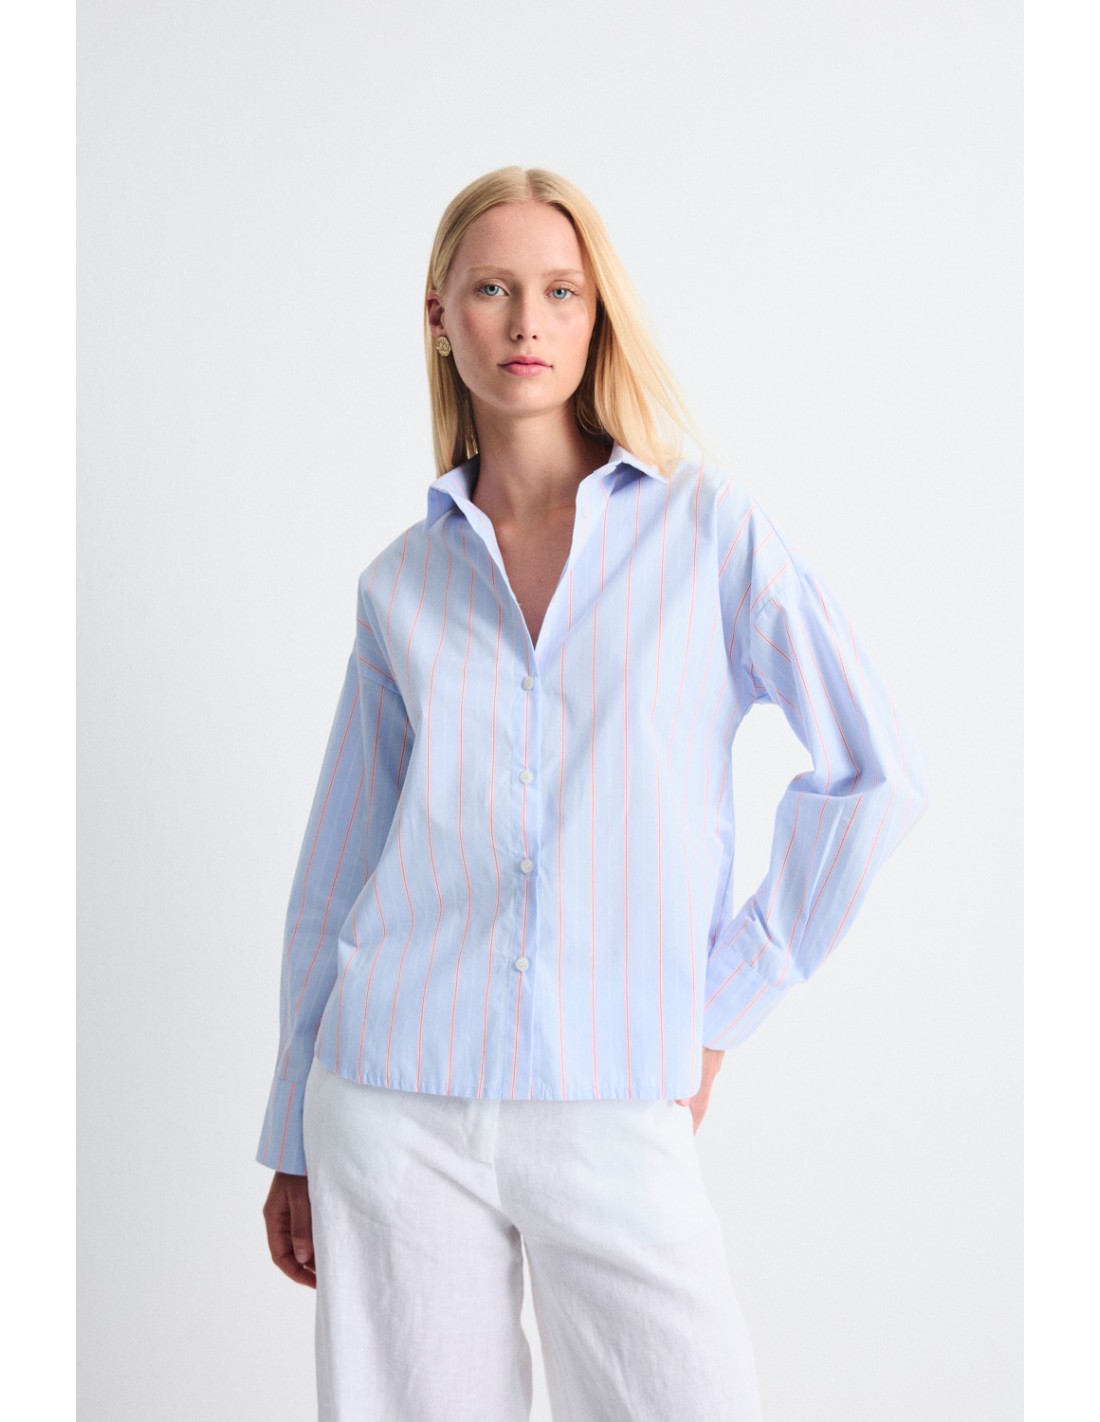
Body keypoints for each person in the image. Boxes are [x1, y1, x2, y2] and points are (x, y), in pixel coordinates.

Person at [258, 165, 930, 1421]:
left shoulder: (706, 532)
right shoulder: (400, 584)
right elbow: (336, 874)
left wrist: (720, 1007)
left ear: (595, 316)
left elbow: (873, 772)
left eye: (560, 292)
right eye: (492, 290)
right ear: (437, 316)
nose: (526, 322)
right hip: (394, 1101)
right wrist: (291, 1125)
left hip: (620, 1094)